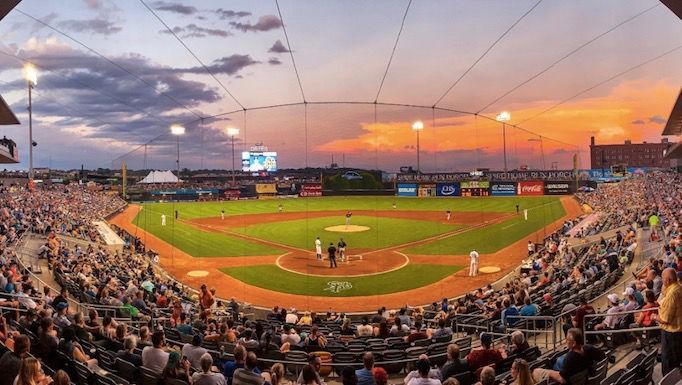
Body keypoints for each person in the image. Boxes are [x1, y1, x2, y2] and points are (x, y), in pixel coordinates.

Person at [532, 328, 604, 384]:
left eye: (567, 339)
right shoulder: (589, 348)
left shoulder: (570, 358)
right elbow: (602, 356)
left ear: (574, 343)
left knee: (536, 371)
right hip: (582, 378)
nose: (566, 341)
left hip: (572, 381)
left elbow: (562, 379)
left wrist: (549, 372)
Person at [653, 268, 682, 375]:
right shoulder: (678, 287)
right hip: (678, 332)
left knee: (669, 363)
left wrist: (655, 317)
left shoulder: (672, 295)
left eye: (663, 278)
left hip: (672, 334)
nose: (662, 281)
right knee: (676, 360)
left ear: (668, 280)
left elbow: (665, 320)